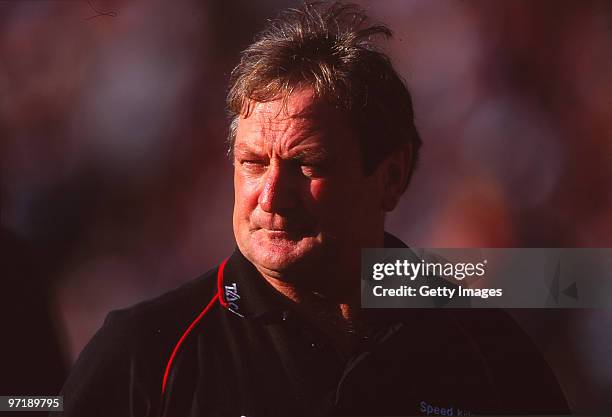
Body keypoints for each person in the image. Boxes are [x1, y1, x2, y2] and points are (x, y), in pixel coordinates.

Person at [55, 3, 569, 416]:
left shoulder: (489, 352)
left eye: (306, 164)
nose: (272, 196)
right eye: (253, 163)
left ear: (390, 176)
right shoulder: (145, 357)